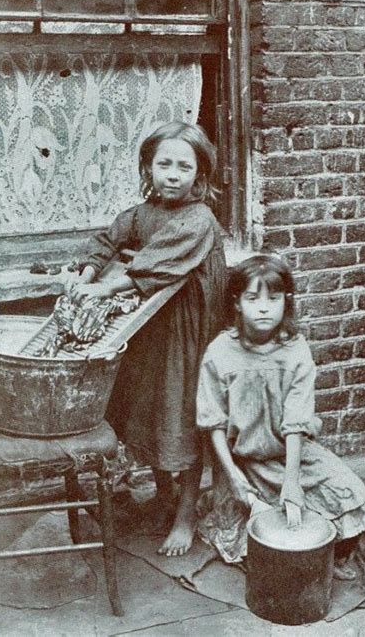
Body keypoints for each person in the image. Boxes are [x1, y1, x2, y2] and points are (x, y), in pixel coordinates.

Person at [69, 121, 227, 556]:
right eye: (164, 164)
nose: (172, 174)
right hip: (149, 328)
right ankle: (163, 494)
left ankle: (186, 513)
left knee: (182, 412)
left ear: (200, 174)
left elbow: (154, 265)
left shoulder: (198, 218)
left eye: (183, 166)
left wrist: (103, 288)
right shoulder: (144, 212)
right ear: (148, 167)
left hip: (187, 333)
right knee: (150, 407)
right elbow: (109, 238)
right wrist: (88, 272)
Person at [196, 253, 365, 578]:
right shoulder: (219, 352)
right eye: (253, 298)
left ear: (287, 301)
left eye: (274, 297)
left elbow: (297, 422)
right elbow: (212, 422)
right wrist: (235, 479)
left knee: (349, 493)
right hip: (244, 461)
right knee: (254, 536)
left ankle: (327, 554)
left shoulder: (294, 349)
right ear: (238, 303)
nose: (264, 307)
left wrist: (292, 483)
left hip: (293, 454)